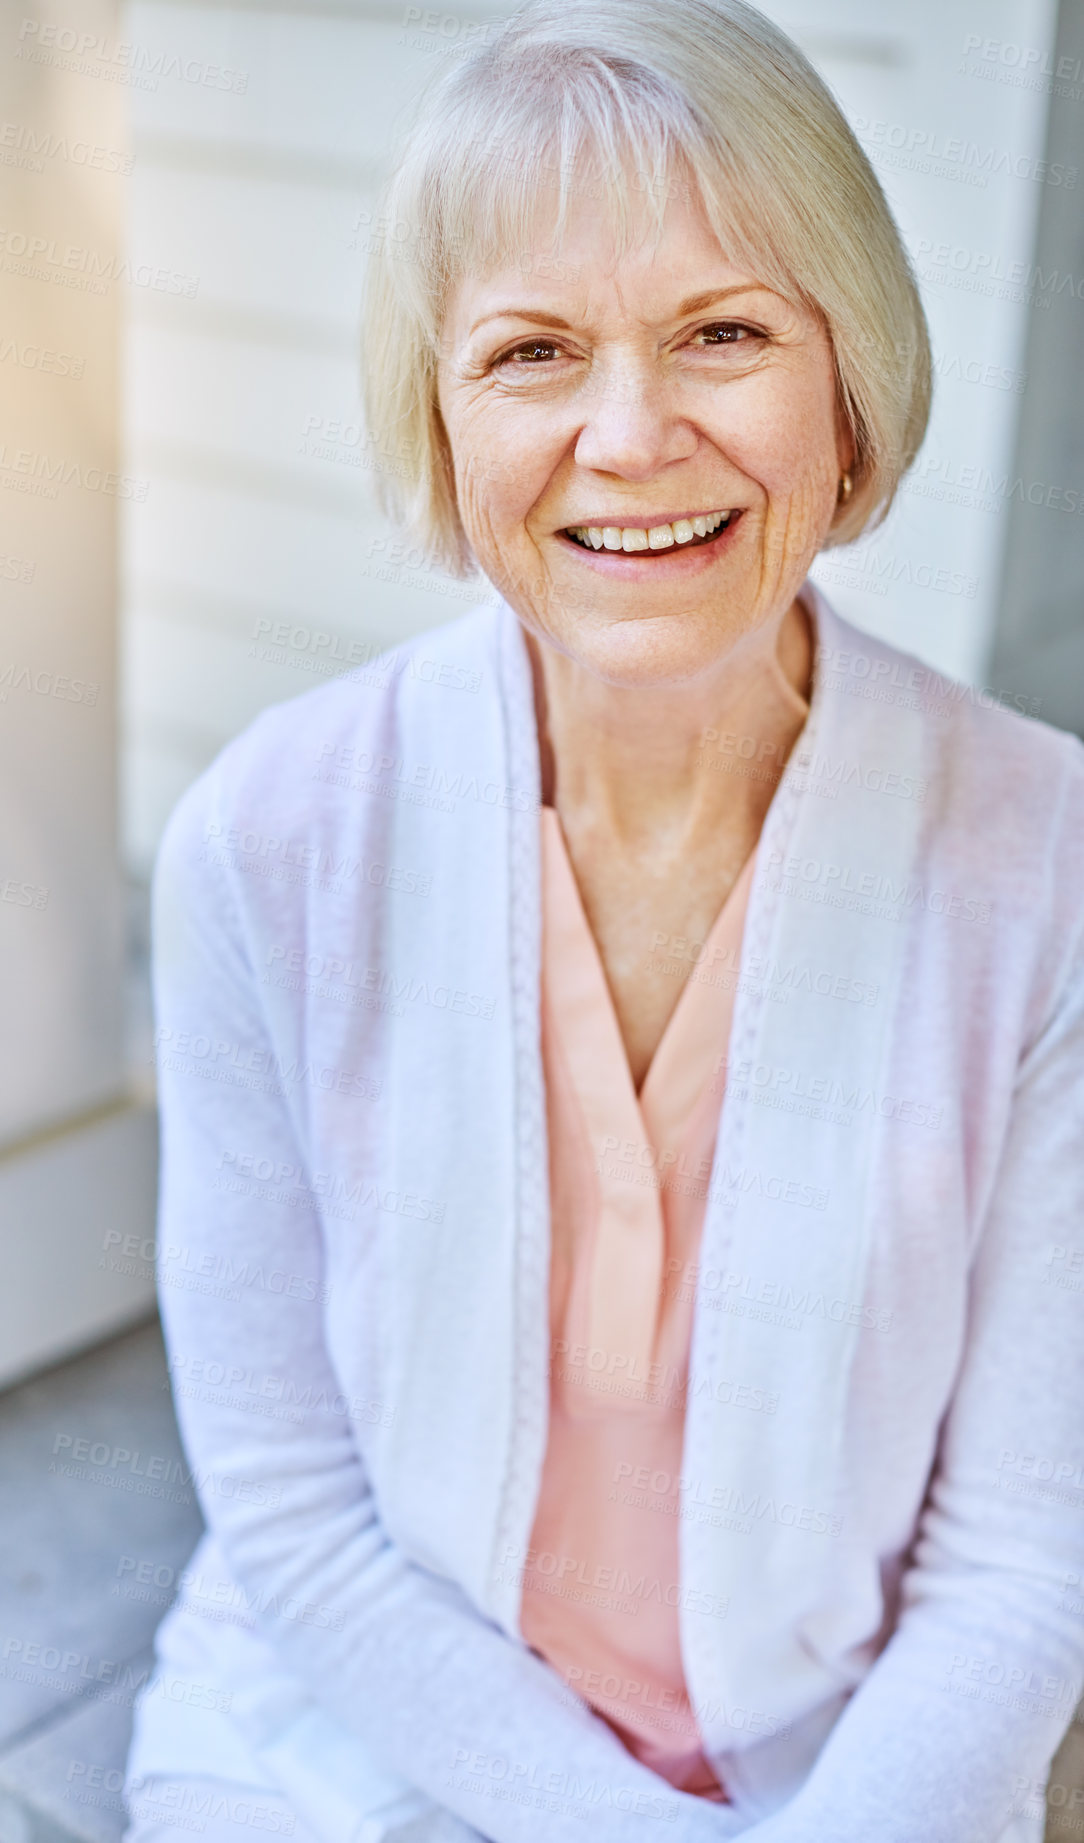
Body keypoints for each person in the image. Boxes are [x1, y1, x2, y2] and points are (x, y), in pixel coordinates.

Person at [122, 3, 1084, 1840]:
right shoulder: (266, 841)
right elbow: (298, 1520)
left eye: (724, 332)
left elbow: (1021, 1568)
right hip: (352, 1731)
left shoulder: (1046, 861)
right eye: (533, 352)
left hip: (847, 1759)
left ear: (849, 377)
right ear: (440, 411)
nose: (631, 436)